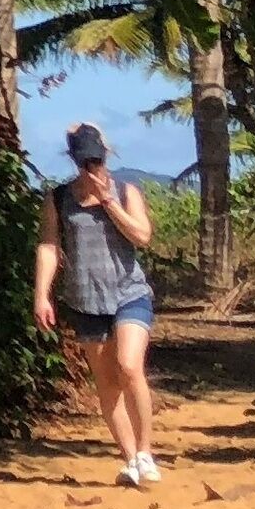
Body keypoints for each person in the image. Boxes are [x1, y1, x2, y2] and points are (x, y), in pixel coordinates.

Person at [32, 122, 161, 485]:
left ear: (106, 157)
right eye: (85, 161)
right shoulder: (59, 199)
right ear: (75, 160)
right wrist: (41, 294)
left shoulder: (126, 191)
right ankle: (130, 459)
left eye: (97, 160)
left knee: (129, 366)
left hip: (129, 293)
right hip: (86, 299)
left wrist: (109, 203)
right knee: (106, 383)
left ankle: (146, 451)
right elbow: (49, 246)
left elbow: (142, 236)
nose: (92, 168)